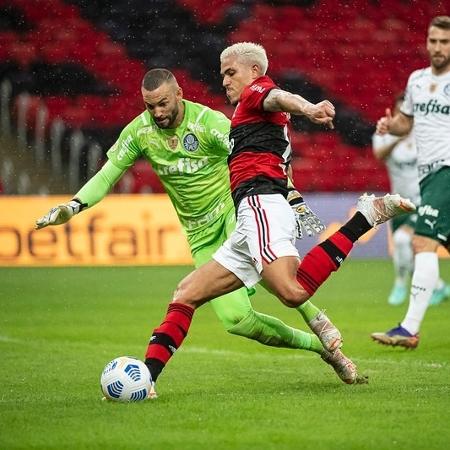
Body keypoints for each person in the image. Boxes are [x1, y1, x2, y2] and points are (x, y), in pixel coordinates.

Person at [36, 68, 361, 387]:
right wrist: (73, 206)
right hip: (200, 236)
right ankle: (322, 349)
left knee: (274, 276)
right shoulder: (139, 132)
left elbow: (256, 155)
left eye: (163, 103)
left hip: (235, 214)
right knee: (237, 322)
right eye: (150, 106)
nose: (157, 112)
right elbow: (108, 175)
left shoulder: (210, 124)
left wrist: (286, 191)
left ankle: (315, 317)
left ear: (179, 94)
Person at [140, 43, 415, 397]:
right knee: (186, 293)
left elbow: (280, 97)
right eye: (222, 73)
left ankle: (365, 216)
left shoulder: (258, 91)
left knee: (291, 290)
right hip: (249, 215)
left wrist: (310, 107)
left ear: (253, 71)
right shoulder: (249, 111)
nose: (223, 80)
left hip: (260, 203)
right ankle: (146, 380)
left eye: (230, 72)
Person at [372, 16, 450, 349]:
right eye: (433, 41)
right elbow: (407, 123)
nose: (437, 48)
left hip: (445, 170)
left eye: (444, 42)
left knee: (423, 242)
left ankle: (409, 328)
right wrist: (392, 126)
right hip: (429, 172)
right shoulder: (416, 81)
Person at [372, 93, 449, 306]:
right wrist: (397, 137)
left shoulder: (425, 135)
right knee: (406, 248)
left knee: (403, 241)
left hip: (423, 199)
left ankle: (400, 283)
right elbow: (379, 154)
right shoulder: (385, 132)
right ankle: (439, 287)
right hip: (398, 202)